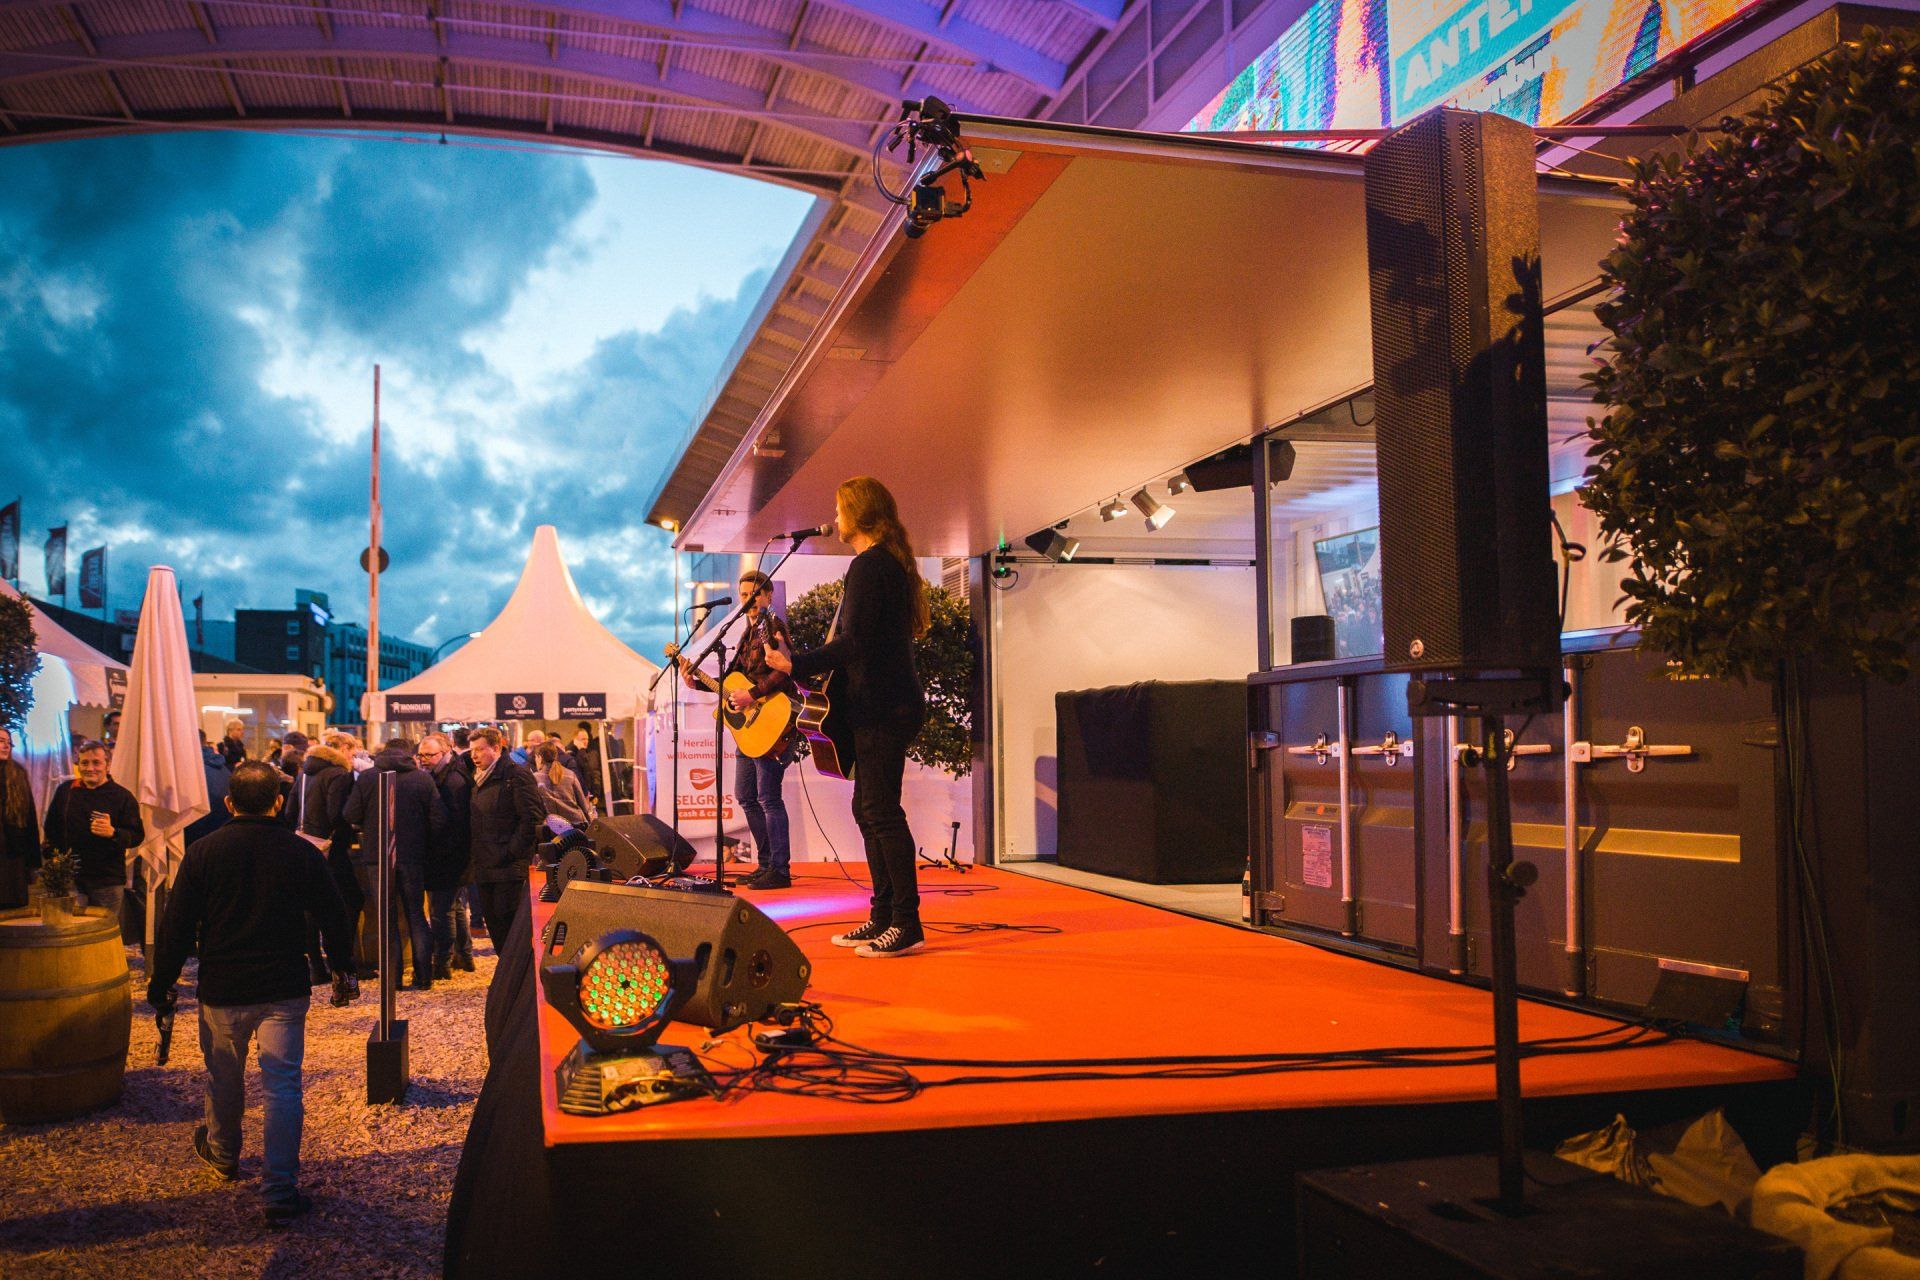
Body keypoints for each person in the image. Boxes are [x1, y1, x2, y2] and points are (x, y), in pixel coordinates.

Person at [146, 761, 357, 1228]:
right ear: (278, 803)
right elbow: (334, 913)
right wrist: (343, 967)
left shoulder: (204, 851)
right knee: (282, 1085)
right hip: (283, 984)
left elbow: (176, 926)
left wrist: (162, 983)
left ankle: (223, 1154)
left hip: (224, 986)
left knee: (224, 1076)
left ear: (229, 803)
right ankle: (279, 1189)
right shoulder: (300, 852)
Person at [765, 477, 928, 955]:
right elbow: (861, 643)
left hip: (883, 707)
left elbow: (853, 642)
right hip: (880, 705)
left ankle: (906, 922)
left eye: (839, 509)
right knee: (869, 809)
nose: (834, 517)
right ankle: (883, 916)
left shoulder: (871, 565)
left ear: (858, 513)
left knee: (881, 812)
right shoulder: (882, 564)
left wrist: (795, 664)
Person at [676, 568, 796, 889]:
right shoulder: (746, 633)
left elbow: (784, 672)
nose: (749, 600)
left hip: (771, 724)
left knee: (769, 798)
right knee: (746, 796)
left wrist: (752, 695)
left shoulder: (773, 627)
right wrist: (696, 682)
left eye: (754, 594)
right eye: (744, 595)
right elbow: (729, 684)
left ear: (768, 595)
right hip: (749, 731)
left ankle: (780, 870)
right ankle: (766, 864)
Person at [343, 738, 446, 990]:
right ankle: (424, 977)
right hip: (412, 856)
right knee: (416, 915)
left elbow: (350, 814)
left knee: (386, 920)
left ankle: (393, 979)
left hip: (377, 857)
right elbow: (438, 818)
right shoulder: (422, 779)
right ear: (409, 753)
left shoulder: (368, 778)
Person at [42, 740, 144, 917]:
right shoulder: (65, 791)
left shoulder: (122, 796)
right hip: (70, 879)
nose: (90, 768)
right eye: (85, 763)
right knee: (70, 928)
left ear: (108, 765)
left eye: (96, 762)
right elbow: (51, 828)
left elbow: (137, 835)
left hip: (107, 880)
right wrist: (52, 858)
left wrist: (114, 833)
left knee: (105, 929)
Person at [465, 727, 544, 950]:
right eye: (472, 750)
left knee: (510, 931)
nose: (474, 755)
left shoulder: (515, 775)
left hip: (508, 868)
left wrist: (510, 852)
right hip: (484, 865)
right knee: (496, 931)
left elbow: (532, 818)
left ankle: (519, 973)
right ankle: (506, 972)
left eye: (480, 749)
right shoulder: (478, 778)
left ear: (496, 748)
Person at [295, 738, 358, 984]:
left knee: (310, 908)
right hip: (331, 849)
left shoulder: (304, 773)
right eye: (352, 752)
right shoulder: (338, 774)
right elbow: (336, 814)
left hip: (305, 843)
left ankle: (315, 966)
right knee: (348, 902)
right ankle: (341, 963)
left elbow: (290, 811)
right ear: (342, 749)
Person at [417, 733, 474, 976]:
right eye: (421, 755)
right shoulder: (445, 774)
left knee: (442, 911)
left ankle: (443, 963)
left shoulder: (452, 781)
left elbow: (454, 823)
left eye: (429, 755)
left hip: (448, 855)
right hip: (452, 855)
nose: (424, 759)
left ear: (445, 752)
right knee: (454, 906)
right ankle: (465, 957)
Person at [0, 726, 39, 910]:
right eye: (1, 741)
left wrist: (33, 863)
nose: (6, 746)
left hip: (13, 856)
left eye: (9, 742)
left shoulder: (17, 773)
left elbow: (29, 818)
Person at [532, 742, 592, 827]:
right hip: (577, 824)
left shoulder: (535, 778)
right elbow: (583, 805)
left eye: (535, 757)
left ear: (539, 757)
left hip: (552, 827)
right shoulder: (570, 774)